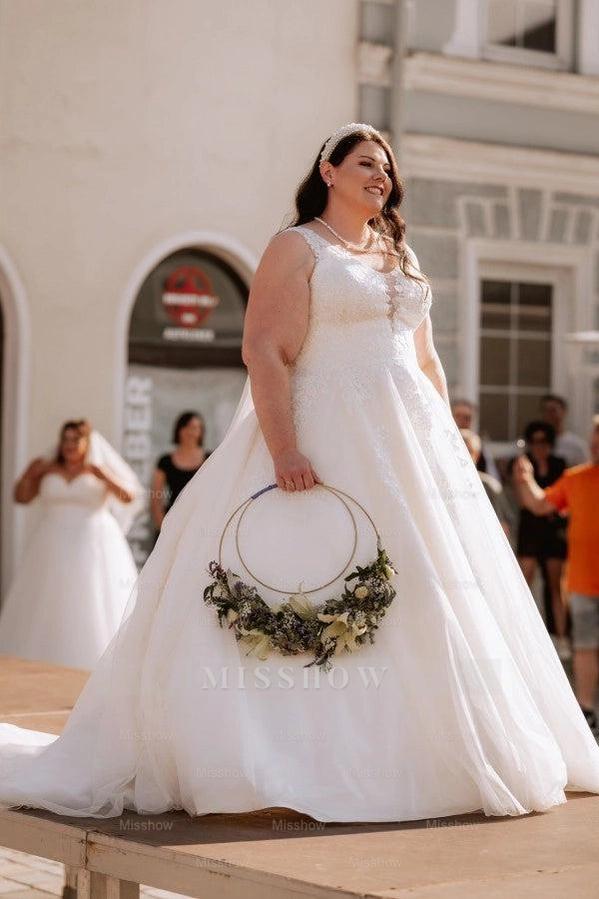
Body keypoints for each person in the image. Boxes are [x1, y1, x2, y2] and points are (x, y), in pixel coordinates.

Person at [1, 123, 598, 824]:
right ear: (328, 171)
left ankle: (430, 751)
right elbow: (264, 349)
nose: (380, 176)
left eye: (387, 167)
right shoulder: (298, 246)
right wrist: (285, 448)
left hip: (413, 446)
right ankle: (292, 757)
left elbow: (426, 360)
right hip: (325, 433)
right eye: (366, 163)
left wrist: (451, 450)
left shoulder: (399, 254)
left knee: (431, 590)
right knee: (317, 577)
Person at [0, 420, 142, 669]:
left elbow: (128, 498)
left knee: (90, 595)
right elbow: (21, 498)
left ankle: (95, 660)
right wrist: (31, 474)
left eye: (76, 439)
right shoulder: (46, 467)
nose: (69, 444)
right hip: (50, 543)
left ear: (88, 443)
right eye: (65, 439)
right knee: (46, 596)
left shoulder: (99, 469)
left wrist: (104, 476)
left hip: (93, 543)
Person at [513, 416, 599, 736]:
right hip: (583, 582)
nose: (595, 445)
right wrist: (526, 478)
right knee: (585, 647)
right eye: (594, 440)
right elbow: (539, 505)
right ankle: (586, 710)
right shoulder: (576, 478)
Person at [509, 422, 569, 661]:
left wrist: (530, 481)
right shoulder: (521, 464)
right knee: (524, 581)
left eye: (543, 441)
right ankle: (520, 635)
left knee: (556, 585)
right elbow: (527, 502)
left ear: (550, 442)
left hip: (554, 530)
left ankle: (561, 637)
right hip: (531, 528)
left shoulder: (560, 464)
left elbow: (552, 501)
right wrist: (524, 478)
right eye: (534, 441)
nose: (539, 446)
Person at [150, 411, 211, 532]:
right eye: (187, 427)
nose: (191, 432)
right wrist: (164, 529)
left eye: (196, 428)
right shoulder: (165, 461)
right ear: (179, 430)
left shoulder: (211, 459)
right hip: (172, 522)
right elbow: (156, 497)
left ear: (201, 432)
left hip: (202, 524)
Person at [460, 429, 514, 538]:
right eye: (461, 450)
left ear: (477, 455)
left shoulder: (489, 486)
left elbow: (503, 526)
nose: (464, 456)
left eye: (469, 451)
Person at [451, 398, 500, 481]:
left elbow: (492, 478)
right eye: (458, 416)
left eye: (467, 418)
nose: (461, 421)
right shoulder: (442, 443)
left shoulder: (480, 448)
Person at [540, 394, 588, 469]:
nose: (548, 415)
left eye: (553, 410)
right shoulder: (535, 443)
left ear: (564, 412)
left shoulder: (576, 445)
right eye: (545, 411)